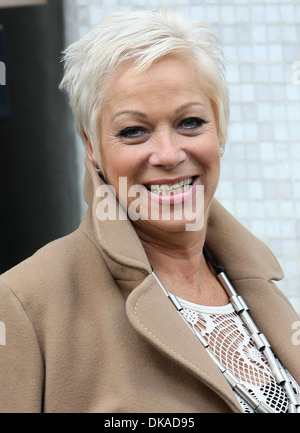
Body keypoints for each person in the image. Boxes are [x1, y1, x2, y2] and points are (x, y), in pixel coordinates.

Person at [0, 9, 299, 414]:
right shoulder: (23, 304)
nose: (168, 154)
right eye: (133, 131)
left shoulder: (258, 282)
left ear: (221, 131)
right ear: (92, 147)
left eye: (190, 122)